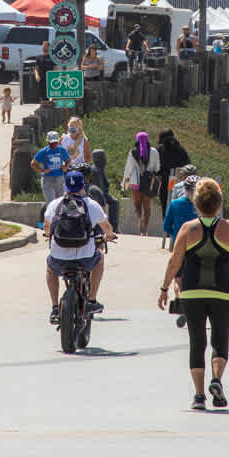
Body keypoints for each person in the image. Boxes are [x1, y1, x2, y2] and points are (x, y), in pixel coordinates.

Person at [159, 177, 229, 411]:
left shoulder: (188, 229)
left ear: (196, 204)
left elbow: (174, 261)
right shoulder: (228, 227)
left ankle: (198, 396)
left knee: (197, 342)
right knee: (220, 340)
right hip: (222, 292)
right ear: (218, 204)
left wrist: (164, 288)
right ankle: (216, 380)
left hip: (192, 291)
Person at [43, 170, 116, 322]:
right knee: (100, 258)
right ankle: (92, 301)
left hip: (59, 258)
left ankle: (55, 308)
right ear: (83, 186)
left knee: (50, 268)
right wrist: (108, 236)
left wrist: (48, 235)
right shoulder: (92, 205)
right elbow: (107, 227)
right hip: (85, 259)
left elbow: (46, 227)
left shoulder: (55, 204)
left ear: (65, 187)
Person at [121, 130, 162, 234]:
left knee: (137, 205)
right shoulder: (154, 152)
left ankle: (139, 219)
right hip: (148, 183)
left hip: (136, 182)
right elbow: (157, 168)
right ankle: (145, 229)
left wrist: (124, 184)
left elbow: (128, 169)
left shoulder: (132, 152)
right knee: (147, 207)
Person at [162, 166, 200, 249]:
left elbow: (166, 226)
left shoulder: (176, 199)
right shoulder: (203, 204)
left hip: (179, 236)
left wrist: (175, 234)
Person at [32, 129, 71, 204]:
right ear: (48, 142)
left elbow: (68, 160)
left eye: (55, 142)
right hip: (48, 179)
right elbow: (33, 164)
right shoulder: (43, 151)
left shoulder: (62, 150)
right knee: (51, 202)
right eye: (51, 143)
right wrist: (43, 171)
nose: (53, 144)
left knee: (61, 202)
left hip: (60, 179)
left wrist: (65, 167)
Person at [156, 129, 191, 210]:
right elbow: (187, 165)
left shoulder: (159, 149)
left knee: (165, 206)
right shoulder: (180, 149)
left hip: (164, 182)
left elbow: (155, 166)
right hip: (178, 181)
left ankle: (166, 221)